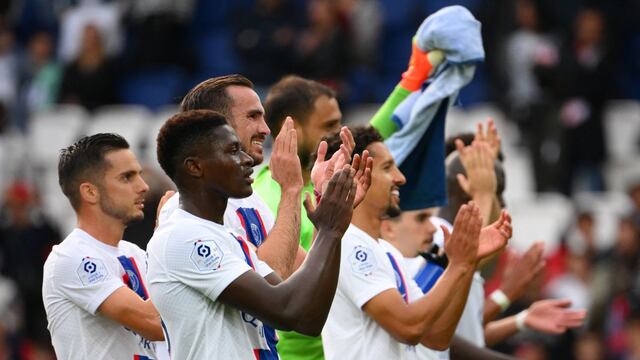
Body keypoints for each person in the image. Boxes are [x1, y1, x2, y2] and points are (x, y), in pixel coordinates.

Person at [147, 110, 357, 358]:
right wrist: (329, 231)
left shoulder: (233, 239)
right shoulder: (183, 235)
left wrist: (329, 227)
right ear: (195, 166)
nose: (247, 160)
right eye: (232, 151)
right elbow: (287, 310)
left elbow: (307, 318)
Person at [319, 126, 513, 359]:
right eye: (387, 168)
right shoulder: (349, 243)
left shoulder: (386, 250)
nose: (400, 178)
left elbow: (436, 338)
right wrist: (459, 265)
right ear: (358, 175)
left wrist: (466, 264)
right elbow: (409, 328)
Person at [42, 133, 165, 359]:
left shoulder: (135, 253)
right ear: (90, 192)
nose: (144, 186)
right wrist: (171, 240)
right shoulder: (71, 257)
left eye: (139, 175)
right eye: (127, 177)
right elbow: (156, 322)